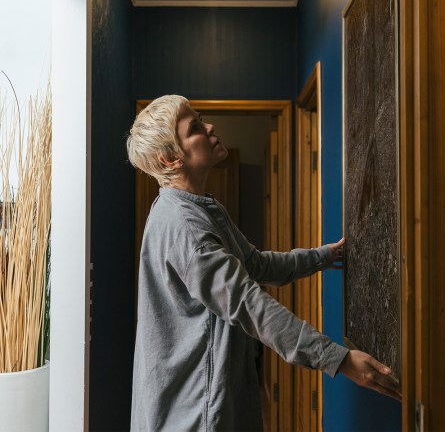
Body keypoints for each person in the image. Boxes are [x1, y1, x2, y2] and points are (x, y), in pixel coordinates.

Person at [126, 95, 401, 432]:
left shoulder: (199, 208)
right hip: (193, 415)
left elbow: (253, 264)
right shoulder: (185, 226)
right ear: (171, 158)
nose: (210, 127)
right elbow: (248, 304)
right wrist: (337, 358)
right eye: (195, 127)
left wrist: (322, 256)